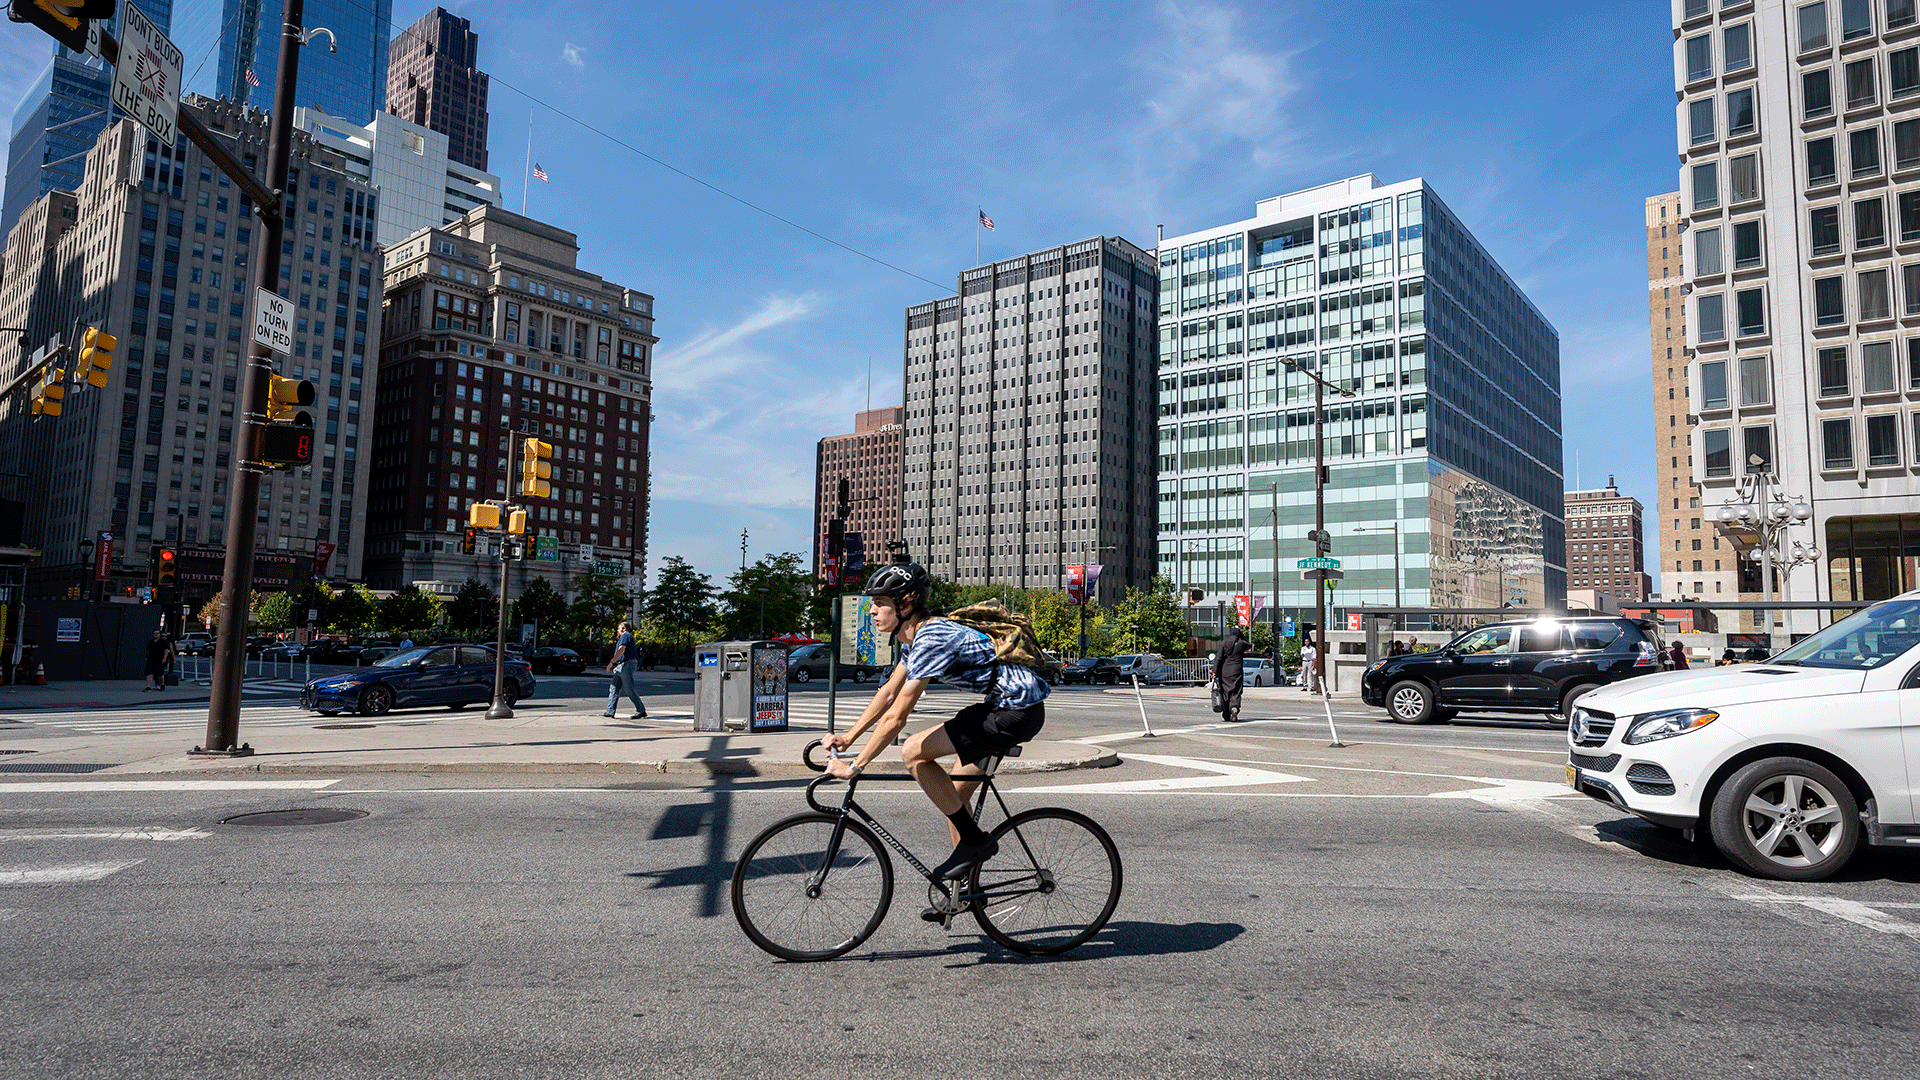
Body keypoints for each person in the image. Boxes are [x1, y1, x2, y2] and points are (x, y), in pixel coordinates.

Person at [823, 561, 1048, 882]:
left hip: (1016, 710)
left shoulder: (931, 638)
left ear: (905, 604)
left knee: (913, 751)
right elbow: (888, 692)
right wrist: (849, 737)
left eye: (880, 603)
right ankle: (965, 891)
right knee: (952, 800)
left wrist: (855, 766)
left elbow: (897, 716)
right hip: (1003, 706)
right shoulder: (912, 639)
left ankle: (974, 844)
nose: (872, 611)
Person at [603, 620, 646, 719]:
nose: (617, 631)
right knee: (614, 688)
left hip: (626, 664)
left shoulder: (626, 635)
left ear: (624, 629)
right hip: (622, 665)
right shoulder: (625, 636)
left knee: (629, 689)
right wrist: (617, 665)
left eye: (618, 629)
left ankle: (641, 710)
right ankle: (610, 711)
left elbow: (622, 649)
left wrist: (612, 662)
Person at [1215, 625, 1249, 722]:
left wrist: (1215, 671)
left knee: (1225, 691)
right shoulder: (1242, 643)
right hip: (1237, 670)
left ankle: (1226, 712)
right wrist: (1241, 634)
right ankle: (1234, 707)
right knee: (1236, 690)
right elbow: (1249, 644)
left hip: (1225, 671)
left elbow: (1219, 658)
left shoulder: (1224, 643)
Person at [144, 627, 174, 692]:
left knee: (160, 674)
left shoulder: (163, 642)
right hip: (151, 659)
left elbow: (166, 650)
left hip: (159, 660)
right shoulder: (150, 642)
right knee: (149, 673)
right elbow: (148, 650)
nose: (156, 635)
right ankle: (148, 686)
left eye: (157, 633)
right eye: (154, 633)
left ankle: (162, 683)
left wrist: (164, 658)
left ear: (159, 634)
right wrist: (146, 657)